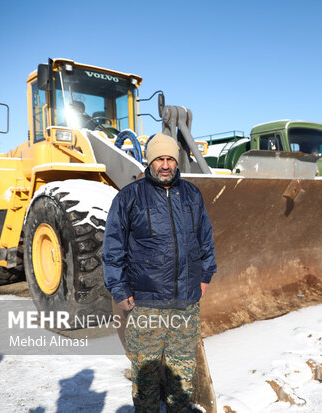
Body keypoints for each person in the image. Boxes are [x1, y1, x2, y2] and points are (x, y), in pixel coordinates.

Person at [103, 132, 217, 412]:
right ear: (150, 162)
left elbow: (205, 238)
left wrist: (205, 275)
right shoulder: (129, 197)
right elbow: (113, 248)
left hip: (185, 307)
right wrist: (120, 290)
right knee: (147, 382)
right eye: (159, 159)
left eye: (169, 159)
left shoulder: (191, 194)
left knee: (181, 380)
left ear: (176, 162)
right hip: (146, 307)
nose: (165, 165)